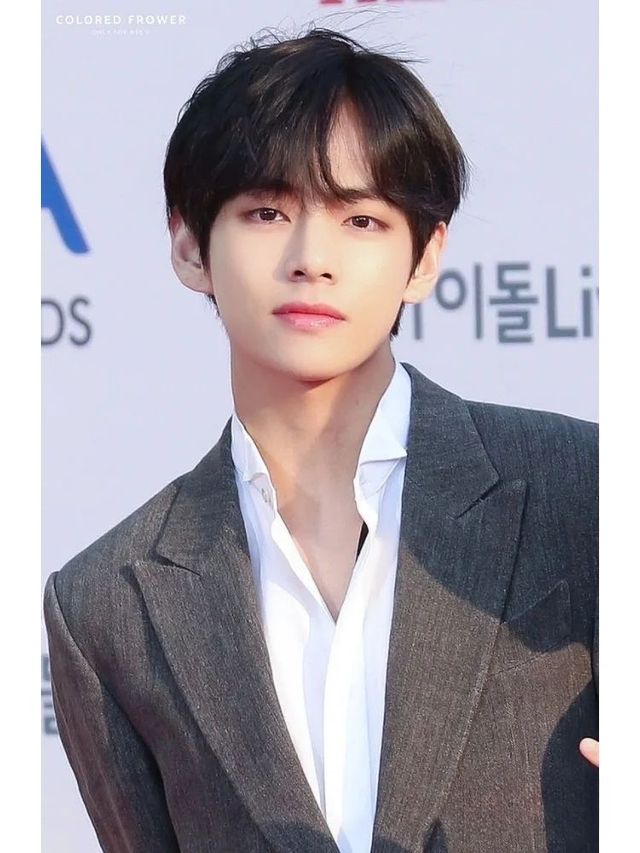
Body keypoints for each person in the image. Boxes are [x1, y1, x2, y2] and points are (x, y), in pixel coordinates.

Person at [43, 27, 598, 853]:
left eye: (362, 219)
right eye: (267, 212)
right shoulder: (106, 602)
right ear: (190, 246)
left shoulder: (584, 490)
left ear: (425, 257)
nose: (313, 258)